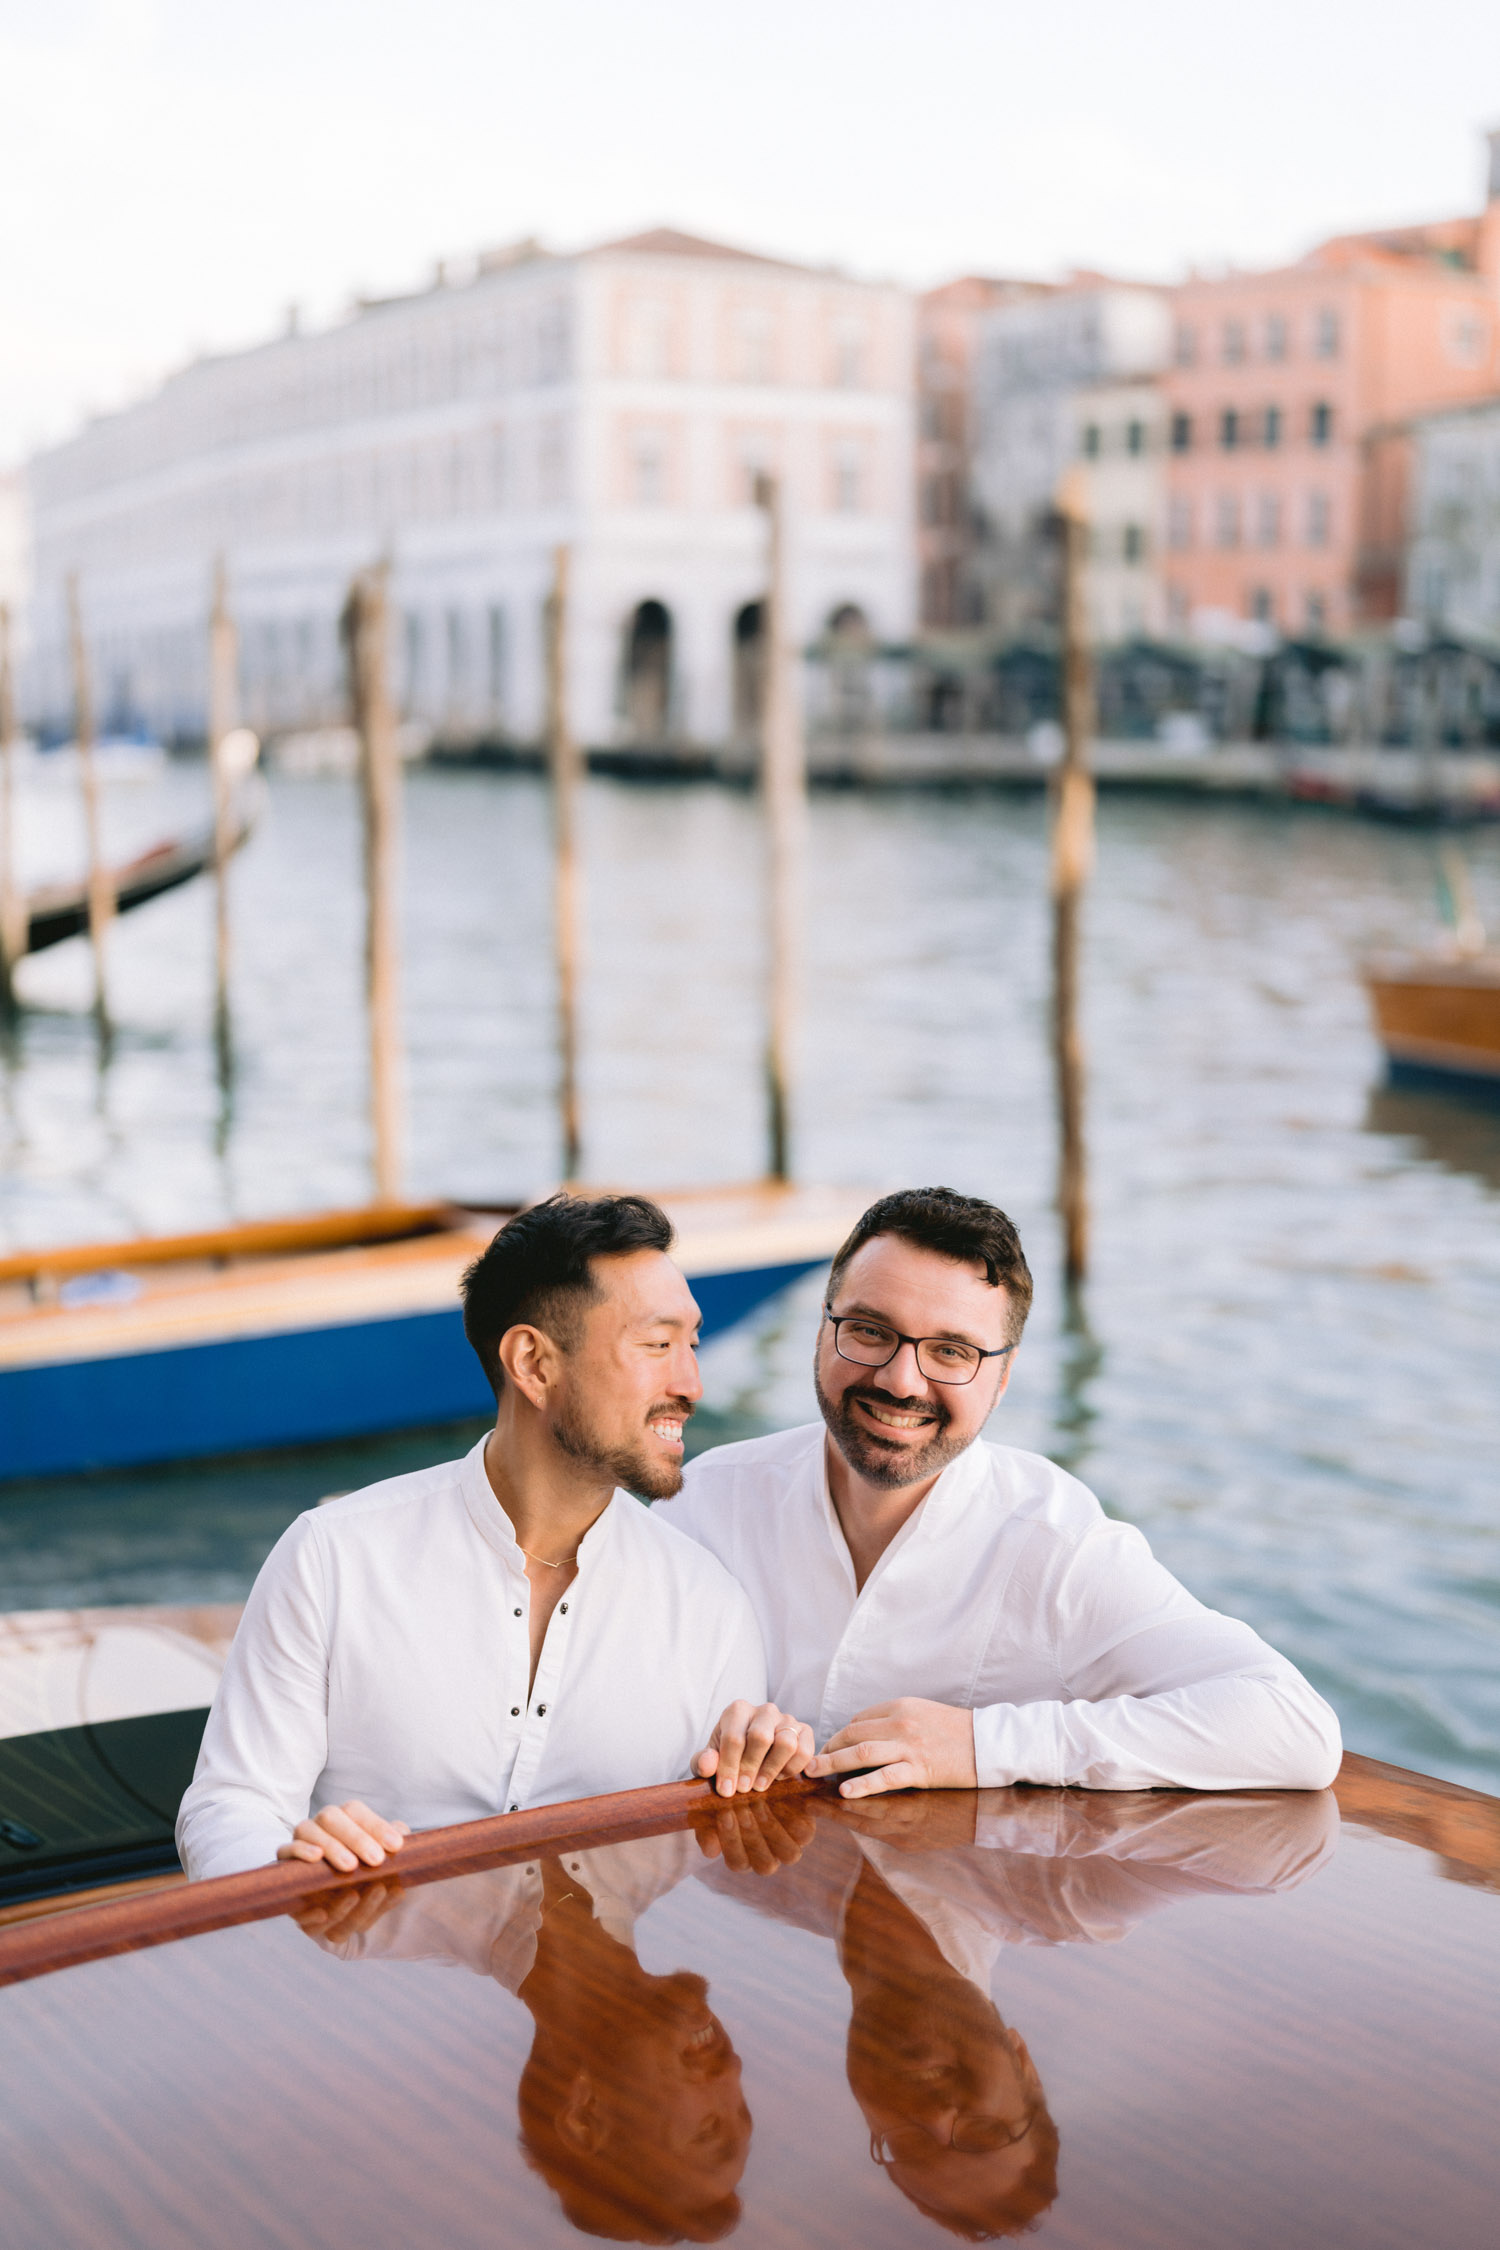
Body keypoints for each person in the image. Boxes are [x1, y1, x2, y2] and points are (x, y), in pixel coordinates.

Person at [660, 1186, 1343, 1801]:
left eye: (951, 1352)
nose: (901, 1380)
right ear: (823, 1330)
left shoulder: (1054, 1543)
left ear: (1004, 1376)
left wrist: (984, 1746)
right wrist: (709, 1730)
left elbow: (1292, 1726)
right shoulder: (710, 1503)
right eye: (870, 1331)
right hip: (731, 1898)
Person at [177, 1193, 767, 1881]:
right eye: (658, 1345)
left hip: (605, 1986)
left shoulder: (708, 1607)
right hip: (361, 1977)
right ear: (534, 1364)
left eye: (691, 1345)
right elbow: (231, 1806)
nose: (691, 1383)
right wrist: (286, 1866)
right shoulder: (333, 1557)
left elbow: (719, 1866)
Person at [300, 1834, 750, 2243]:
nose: (732, 2070)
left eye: (709, 2126)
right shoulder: (691, 1830)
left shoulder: (366, 1913)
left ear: (586, 2113)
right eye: (742, 2109)